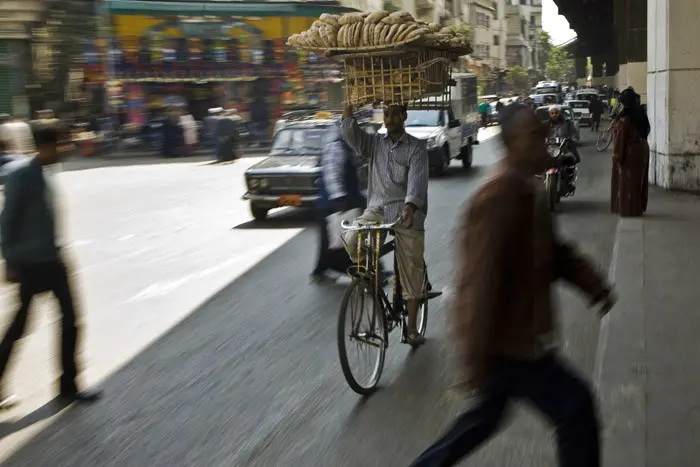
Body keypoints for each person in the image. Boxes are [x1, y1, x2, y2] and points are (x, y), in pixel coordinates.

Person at [409, 103, 616, 467]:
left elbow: (554, 253)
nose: (543, 143)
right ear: (513, 143)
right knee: (575, 407)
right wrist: (473, 358)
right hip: (510, 344)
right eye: (534, 136)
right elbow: (477, 283)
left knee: (480, 423)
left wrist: (594, 285)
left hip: (517, 340)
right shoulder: (498, 198)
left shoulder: (526, 190)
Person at [0, 125, 101, 410]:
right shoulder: (21, 175)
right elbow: (6, 223)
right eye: (61, 145)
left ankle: (68, 385)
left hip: (53, 259)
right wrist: (10, 261)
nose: (65, 150)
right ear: (46, 146)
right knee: (20, 327)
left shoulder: (44, 173)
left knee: (70, 321)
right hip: (31, 263)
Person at [341, 103, 430, 347]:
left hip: (405, 211)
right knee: (351, 238)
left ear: (404, 116)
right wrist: (348, 113)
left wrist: (410, 206)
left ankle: (411, 329)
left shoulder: (416, 148)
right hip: (377, 209)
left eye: (394, 114)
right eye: (386, 114)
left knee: (410, 266)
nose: (389, 119)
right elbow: (353, 137)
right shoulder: (375, 144)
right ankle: (373, 278)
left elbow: (417, 181)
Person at [611, 89, 651, 217]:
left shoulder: (625, 118)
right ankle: (637, 207)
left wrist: (617, 156)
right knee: (639, 181)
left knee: (627, 182)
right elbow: (646, 130)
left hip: (629, 152)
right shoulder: (640, 114)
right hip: (642, 149)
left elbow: (620, 138)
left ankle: (629, 210)